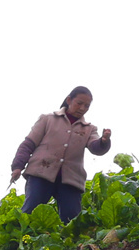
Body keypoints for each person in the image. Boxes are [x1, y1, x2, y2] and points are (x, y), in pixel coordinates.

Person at [10, 86, 113, 221]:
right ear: (69, 100)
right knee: (30, 213)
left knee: (72, 221)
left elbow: (96, 147)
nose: (82, 108)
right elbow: (28, 144)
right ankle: (19, 240)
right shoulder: (47, 119)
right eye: (79, 103)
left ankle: (70, 242)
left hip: (70, 180)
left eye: (87, 106)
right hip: (41, 174)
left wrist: (104, 141)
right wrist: (18, 166)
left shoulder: (89, 129)